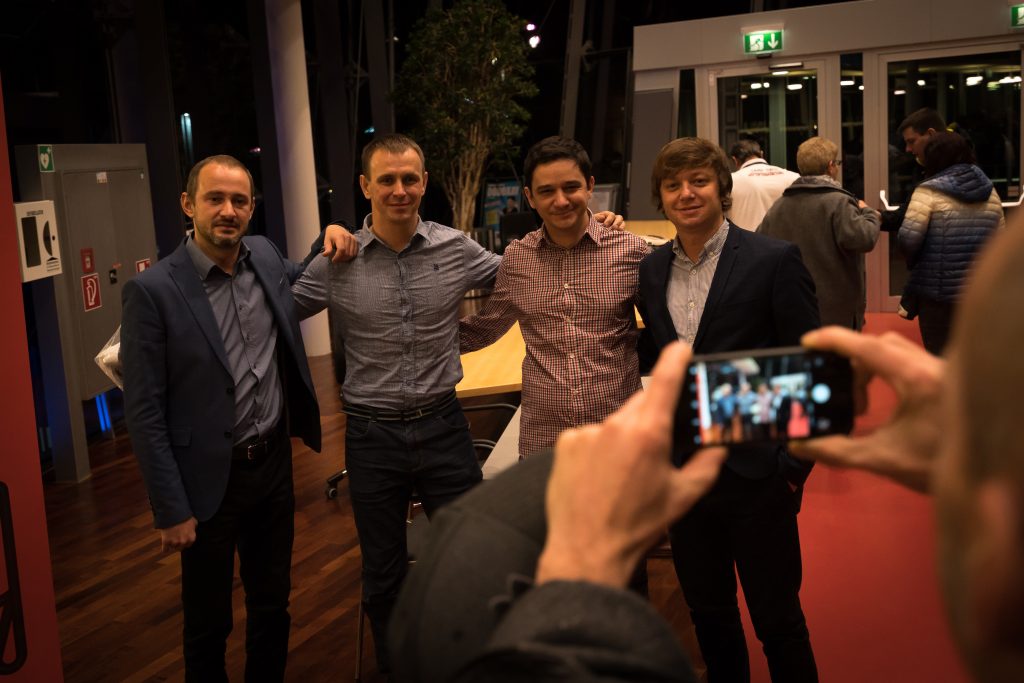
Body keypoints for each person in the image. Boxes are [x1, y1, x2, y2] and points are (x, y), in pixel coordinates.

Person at [291, 133, 623, 672]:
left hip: (444, 427)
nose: (399, 190)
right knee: (383, 576)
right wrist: (320, 241)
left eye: (409, 179)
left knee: (477, 567)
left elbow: (534, 266)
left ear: (424, 183)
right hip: (372, 437)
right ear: (365, 186)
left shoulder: (456, 248)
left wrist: (597, 224)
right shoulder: (337, 260)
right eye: (386, 180)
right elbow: (275, 311)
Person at [120, 154, 354, 680]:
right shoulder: (152, 291)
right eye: (215, 199)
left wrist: (331, 232)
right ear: (188, 205)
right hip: (207, 482)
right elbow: (145, 412)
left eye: (239, 201)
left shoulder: (264, 256)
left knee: (272, 605)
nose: (228, 210)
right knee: (208, 624)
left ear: (251, 208)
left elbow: (302, 277)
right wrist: (170, 508)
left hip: (271, 468)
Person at [637, 137, 821, 682]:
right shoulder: (651, 270)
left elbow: (807, 364)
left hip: (757, 473)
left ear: (722, 188)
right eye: (673, 185)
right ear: (661, 198)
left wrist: (792, 467)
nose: (686, 193)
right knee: (710, 617)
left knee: (779, 623)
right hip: (685, 477)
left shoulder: (773, 259)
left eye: (698, 181)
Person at [458, 136, 649, 458]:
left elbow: (668, 326)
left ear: (590, 186)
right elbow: (486, 327)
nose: (561, 201)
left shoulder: (630, 251)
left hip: (621, 434)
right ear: (530, 197)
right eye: (547, 191)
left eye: (571, 187)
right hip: (545, 441)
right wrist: (405, 344)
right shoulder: (517, 259)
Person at [897, 131, 1004, 355]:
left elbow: (908, 240)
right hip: (978, 291)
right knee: (972, 357)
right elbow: (1000, 241)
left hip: (937, 294)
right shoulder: (990, 191)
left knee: (939, 357)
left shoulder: (928, 191)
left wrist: (918, 261)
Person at [757, 136, 880, 329]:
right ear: (831, 166)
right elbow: (864, 238)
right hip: (837, 311)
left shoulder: (779, 205)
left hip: (794, 306)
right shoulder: (839, 202)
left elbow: (760, 246)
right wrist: (870, 213)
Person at [881, 108, 946, 233]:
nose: (908, 149)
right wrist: (876, 216)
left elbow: (910, 224)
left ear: (931, 134)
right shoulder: (930, 169)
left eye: (911, 141)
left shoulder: (945, 175)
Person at [726, 138, 798, 231]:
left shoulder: (731, 181)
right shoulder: (793, 177)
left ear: (735, 160)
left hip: (748, 239)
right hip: (785, 238)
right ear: (761, 154)